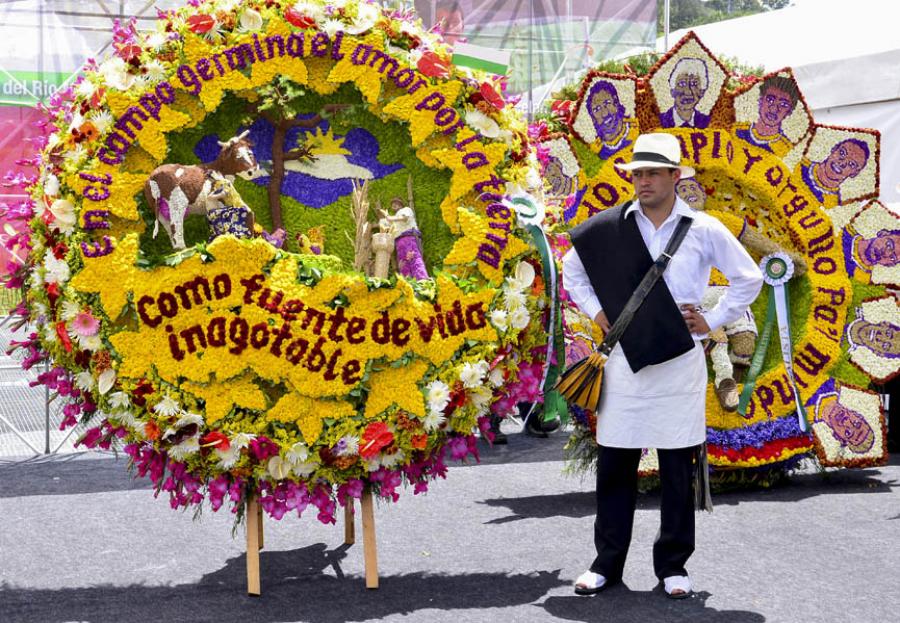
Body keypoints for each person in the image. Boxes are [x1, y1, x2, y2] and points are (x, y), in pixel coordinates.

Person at [562, 133, 762, 598]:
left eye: (653, 172)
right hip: (624, 362)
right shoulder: (606, 228)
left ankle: (673, 565)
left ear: (676, 176)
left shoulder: (705, 228)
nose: (644, 180)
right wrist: (596, 312)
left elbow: (748, 278)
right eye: (638, 173)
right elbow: (571, 272)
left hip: (678, 361)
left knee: (677, 467)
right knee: (615, 463)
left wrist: (709, 320)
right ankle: (606, 563)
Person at [735, 76, 800, 157]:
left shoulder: (786, 150)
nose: (774, 108)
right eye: (770, 100)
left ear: (790, 111)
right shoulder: (735, 130)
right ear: (760, 100)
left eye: (783, 105)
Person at [800, 139, 870, 207]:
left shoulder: (832, 205)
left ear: (855, 173)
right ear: (834, 149)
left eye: (851, 164)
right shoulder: (798, 164)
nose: (842, 163)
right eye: (842, 153)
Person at [584, 79, 636, 159]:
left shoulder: (637, 127)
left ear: (616, 102)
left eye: (607, 103)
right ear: (592, 117)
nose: (605, 113)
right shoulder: (596, 152)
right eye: (597, 109)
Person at [659, 58, 710, 129]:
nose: (688, 92)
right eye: (682, 84)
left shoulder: (708, 123)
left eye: (694, 84)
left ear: (702, 92)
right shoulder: (659, 121)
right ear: (672, 91)